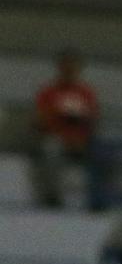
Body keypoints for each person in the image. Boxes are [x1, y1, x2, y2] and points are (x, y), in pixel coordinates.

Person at [31, 49, 107, 211]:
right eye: (66, 66)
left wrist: (81, 137)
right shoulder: (48, 93)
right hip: (57, 138)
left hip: (81, 141)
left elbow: (93, 119)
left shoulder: (86, 93)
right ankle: (52, 196)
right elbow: (41, 120)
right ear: (59, 68)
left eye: (73, 66)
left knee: (103, 153)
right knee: (50, 149)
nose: (69, 70)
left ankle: (98, 198)